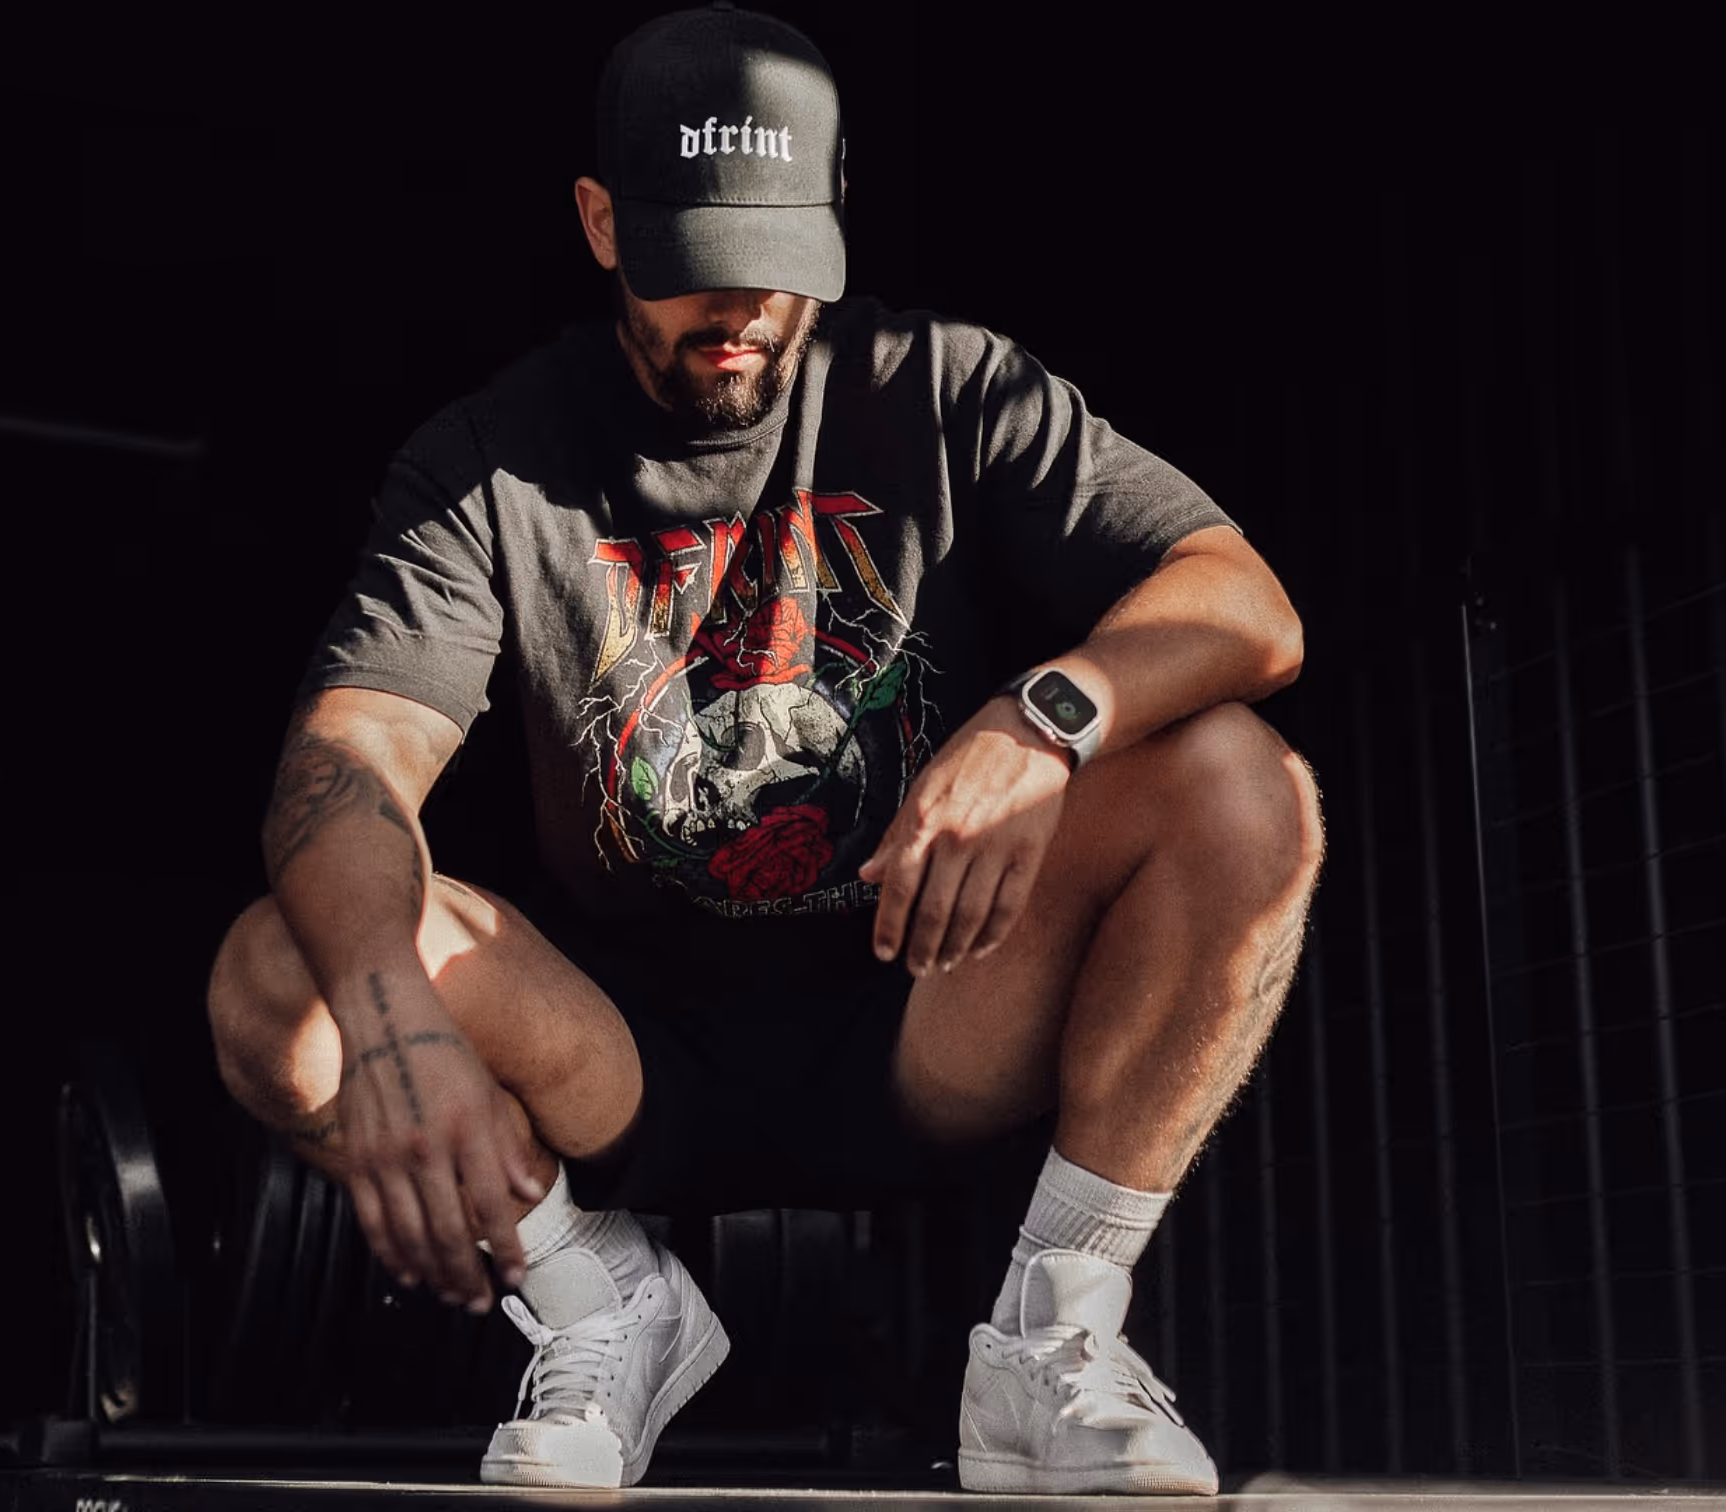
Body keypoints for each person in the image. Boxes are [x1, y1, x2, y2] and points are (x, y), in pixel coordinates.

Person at [206, 1, 1323, 1494]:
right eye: (685, 264)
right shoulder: (487, 460)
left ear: (833, 214)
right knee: (281, 979)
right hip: (620, 1050)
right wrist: (397, 1016)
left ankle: (1054, 1335)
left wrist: (1046, 718)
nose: (734, 306)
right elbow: (346, 763)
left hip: (923, 995)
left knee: (1242, 781)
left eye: (772, 260)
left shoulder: (947, 386)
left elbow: (1243, 601)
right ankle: (608, 1304)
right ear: (601, 225)